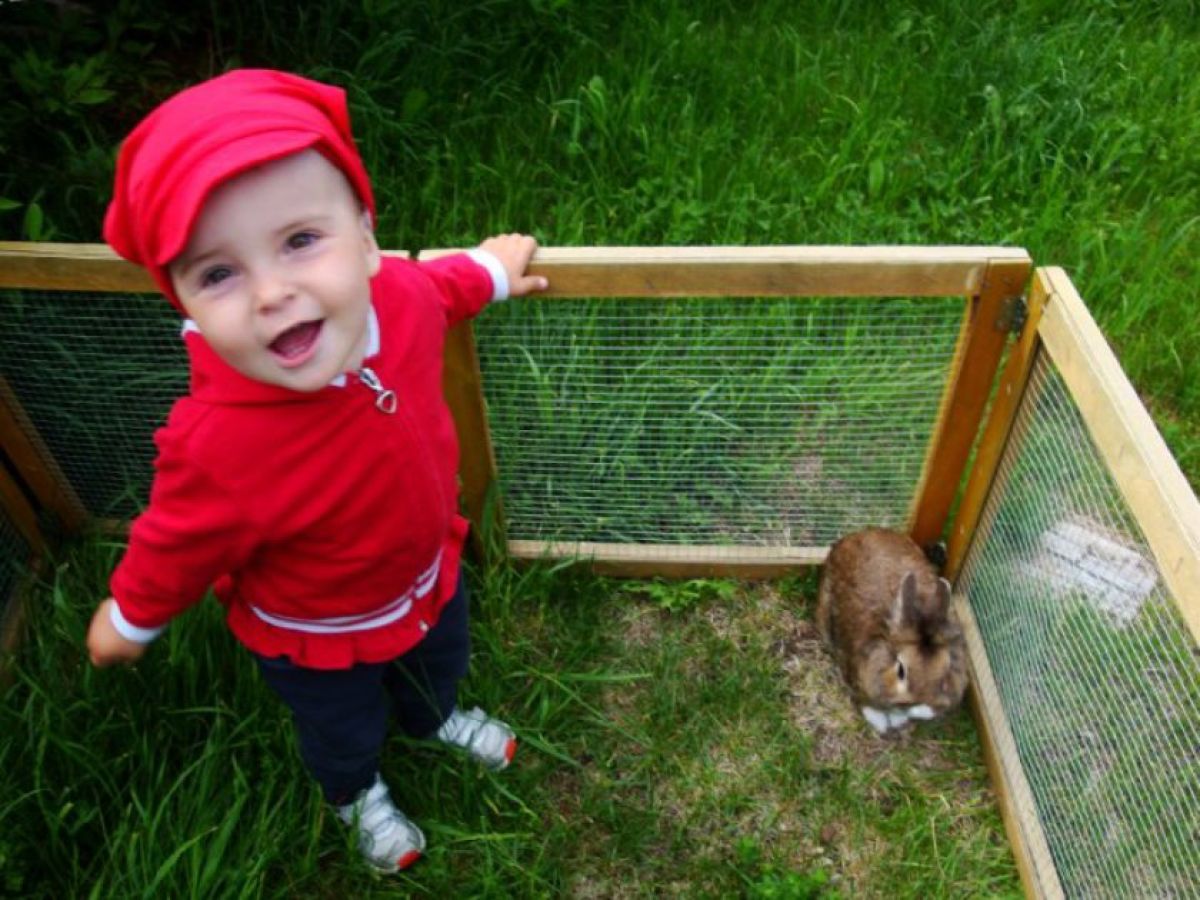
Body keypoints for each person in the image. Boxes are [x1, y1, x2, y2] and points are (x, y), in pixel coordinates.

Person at [84, 68, 548, 873]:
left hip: (427, 567)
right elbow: (174, 543)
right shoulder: (216, 442)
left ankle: (434, 717)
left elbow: (440, 287)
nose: (273, 292)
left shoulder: (395, 296)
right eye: (217, 273)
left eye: (301, 240)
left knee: (440, 658)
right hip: (314, 632)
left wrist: (491, 271)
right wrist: (128, 622)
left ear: (367, 238)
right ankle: (355, 794)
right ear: (183, 302)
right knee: (340, 726)